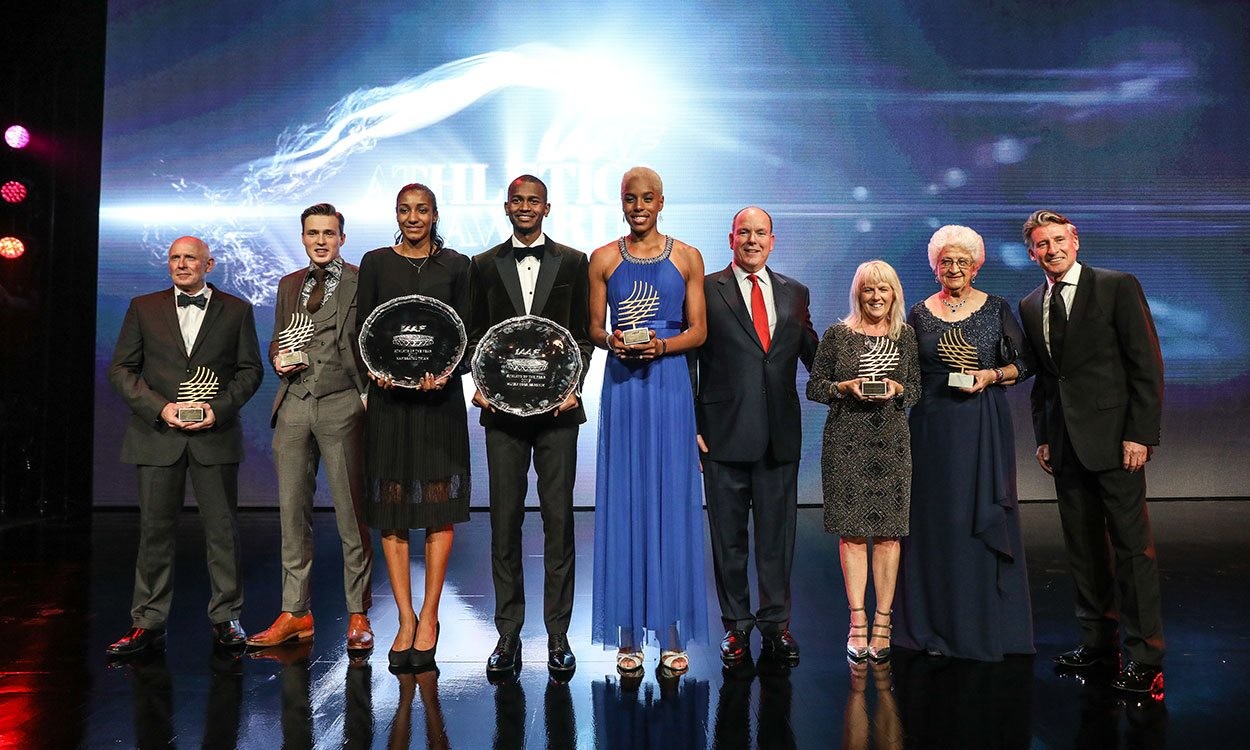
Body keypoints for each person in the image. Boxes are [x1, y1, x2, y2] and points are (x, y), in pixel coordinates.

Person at [1018, 210, 1165, 695]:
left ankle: (1144, 655)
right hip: (1064, 445)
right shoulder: (1030, 303)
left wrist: (1139, 434)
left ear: (1075, 241)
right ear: (1032, 253)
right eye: (1042, 244)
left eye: (1059, 240)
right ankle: (1099, 643)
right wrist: (1043, 436)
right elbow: (1046, 380)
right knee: (1083, 549)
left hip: (1117, 442)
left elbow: (1145, 364)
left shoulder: (1116, 286)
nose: (1053, 250)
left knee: (1131, 550)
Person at [106, 236, 263, 656]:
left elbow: (250, 371)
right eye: (174, 258)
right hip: (157, 436)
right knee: (154, 533)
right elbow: (122, 370)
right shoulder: (143, 307)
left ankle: (226, 617)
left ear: (208, 264)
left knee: (223, 531)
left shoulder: (237, 310)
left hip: (215, 436)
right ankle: (147, 622)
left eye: (190, 258)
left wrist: (218, 409)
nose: (181, 264)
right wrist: (160, 408)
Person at [467, 175, 592, 678]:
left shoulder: (576, 262)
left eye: (533, 200)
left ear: (547, 207)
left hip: (559, 414)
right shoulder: (482, 265)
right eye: (517, 200)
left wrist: (573, 386)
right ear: (506, 207)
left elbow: (583, 335)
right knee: (504, 523)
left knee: (559, 523)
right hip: (502, 415)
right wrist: (479, 382)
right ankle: (508, 635)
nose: (525, 207)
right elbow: (475, 334)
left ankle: (558, 636)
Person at [893, 224, 1035, 661]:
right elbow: (905, 371)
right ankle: (934, 625)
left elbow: (1025, 364)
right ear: (934, 267)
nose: (954, 268)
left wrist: (991, 375)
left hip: (981, 425)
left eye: (962, 261)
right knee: (935, 522)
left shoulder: (996, 308)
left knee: (973, 517)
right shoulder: (918, 312)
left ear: (976, 267)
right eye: (946, 261)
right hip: (931, 428)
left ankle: (982, 626)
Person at [589, 166, 708, 674]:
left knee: (671, 502)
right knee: (626, 502)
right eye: (629, 198)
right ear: (622, 202)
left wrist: (663, 346)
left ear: (661, 201)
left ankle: (672, 634)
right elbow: (594, 328)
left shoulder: (688, 257)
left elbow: (699, 331)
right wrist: (610, 340)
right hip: (623, 387)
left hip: (669, 384)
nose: (638, 207)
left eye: (647, 198)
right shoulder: (602, 258)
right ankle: (628, 636)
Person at [246, 203, 374, 653]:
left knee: (350, 513)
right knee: (292, 512)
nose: (321, 240)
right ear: (303, 238)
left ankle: (358, 611)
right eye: (313, 233)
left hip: (343, 402)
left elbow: (372, 338)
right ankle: (295, 611)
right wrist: (278, 359)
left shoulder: (362, 280)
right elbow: (278, 339)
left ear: (342, 238)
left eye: (329, 233)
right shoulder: (289, 284)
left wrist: (366, 394)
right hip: (295, 402)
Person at [696, 206, 818, 667]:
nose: (752, 240)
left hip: (779, 436)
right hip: (721, 436)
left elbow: (815, 355)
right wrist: (691, 425)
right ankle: (736, 627)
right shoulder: (705, 289)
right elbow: (690, 362)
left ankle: (776, 625)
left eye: (760, 233)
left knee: (777, 540)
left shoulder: (795, 292)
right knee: (728, 541)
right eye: (743, 232)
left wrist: (863, 358)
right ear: (730, 239)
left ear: (772, 240)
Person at [357, 183, 472, 671]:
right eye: (404, 210)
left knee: (438, 508)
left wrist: (448, 372)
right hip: (390, 403)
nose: (413, 217)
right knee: (393, 509)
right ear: (396, 214)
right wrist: (375, 371)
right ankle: (404, 618)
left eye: (422, 210)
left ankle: (430, 615)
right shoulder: (376, 262)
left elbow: (467, 334)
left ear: (435, 214)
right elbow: (364, 330)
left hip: (439, 402)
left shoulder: (458, 265)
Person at [806, 260, 918, 663]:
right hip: (846, 445)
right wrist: (844, 386)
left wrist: (897, 388)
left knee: (889, 535)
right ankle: (857, 621)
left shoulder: (906, 336)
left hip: (891, 445)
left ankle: (883, 622)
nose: (876, 296)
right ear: (858, 293)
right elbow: (815, 387)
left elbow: (916, 390)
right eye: (868, 289)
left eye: (883, 289)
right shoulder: (838, 335)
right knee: (852, 535)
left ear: (894, 293)